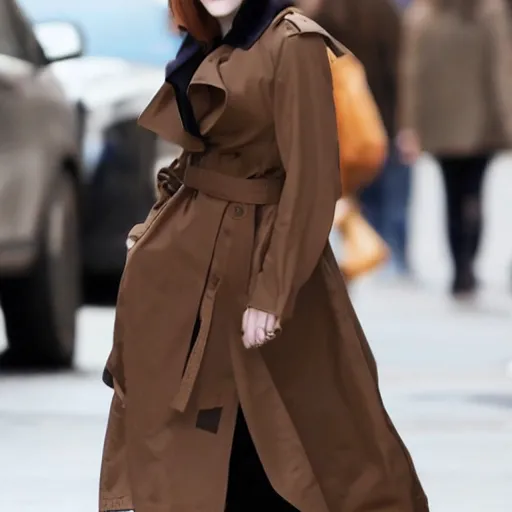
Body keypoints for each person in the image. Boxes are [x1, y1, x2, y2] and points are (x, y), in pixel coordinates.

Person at [99, 1, 429, 511]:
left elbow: (313, 178)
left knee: (306, 433)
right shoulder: (205, 40)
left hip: (263, 253)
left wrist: (273, 290)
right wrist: (150, 230)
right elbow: (194, 156)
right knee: (183, 430)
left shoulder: (292, 42)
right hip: (185, 265)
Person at [398, 0, 512, 297]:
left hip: (440, 124)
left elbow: (411, 75)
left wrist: (409, 126)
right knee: (473, 192)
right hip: (481, 123)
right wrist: (506, 120)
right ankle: (467, 265)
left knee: (451, 195)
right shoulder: (490, 13)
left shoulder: (422, 17)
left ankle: (460, 267)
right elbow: (499, 69)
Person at [298, 0, 412, 278]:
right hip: (383, 110)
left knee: (358, 188)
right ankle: (393, 252)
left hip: (342, 116)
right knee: (394, 189)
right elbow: (399, 65)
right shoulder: (385, 11)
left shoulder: (319, 14)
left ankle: (365, 249)